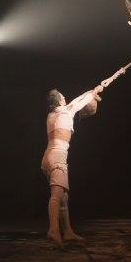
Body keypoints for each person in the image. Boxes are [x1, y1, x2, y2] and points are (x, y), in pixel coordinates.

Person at [41, 84, 103, 245]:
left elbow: (76, 101)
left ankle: (67, 232)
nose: (65, 99)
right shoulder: (67, 111)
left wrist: (91, 90)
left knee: (63, 198)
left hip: (48, 157)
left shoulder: (51, 115)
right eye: (63, 97)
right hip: (57, 158)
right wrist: (94, 93)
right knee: (56, 196)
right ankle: (53, 230)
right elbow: (79, 103)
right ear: (60, 102)